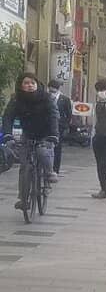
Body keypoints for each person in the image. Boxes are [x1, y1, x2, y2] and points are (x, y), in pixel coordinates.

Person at [1, 72, 59, 210]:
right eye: (26, 83)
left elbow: (54, 116)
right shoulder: (16, 99)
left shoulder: (46, 98)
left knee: (43, 152)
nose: (30, 85)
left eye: (33, 83)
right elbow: (8, 117)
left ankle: (49, 172)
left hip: (45, 133)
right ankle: (23, 199)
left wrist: (53, 135)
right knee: (25, 167)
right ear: (21, 86)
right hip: (28, 134)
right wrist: (8, 135)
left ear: (37, 84)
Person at [48, 79, 72, 175]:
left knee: (57, 148)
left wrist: (65, 125)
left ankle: (55, 169)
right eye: (50, 90)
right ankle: (46, 168)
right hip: (47, 126)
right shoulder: (46, 97)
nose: (51, 92)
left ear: (57, 89)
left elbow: (69, 114)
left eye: (53, 90)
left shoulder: (64, 99)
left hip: (59, 127)